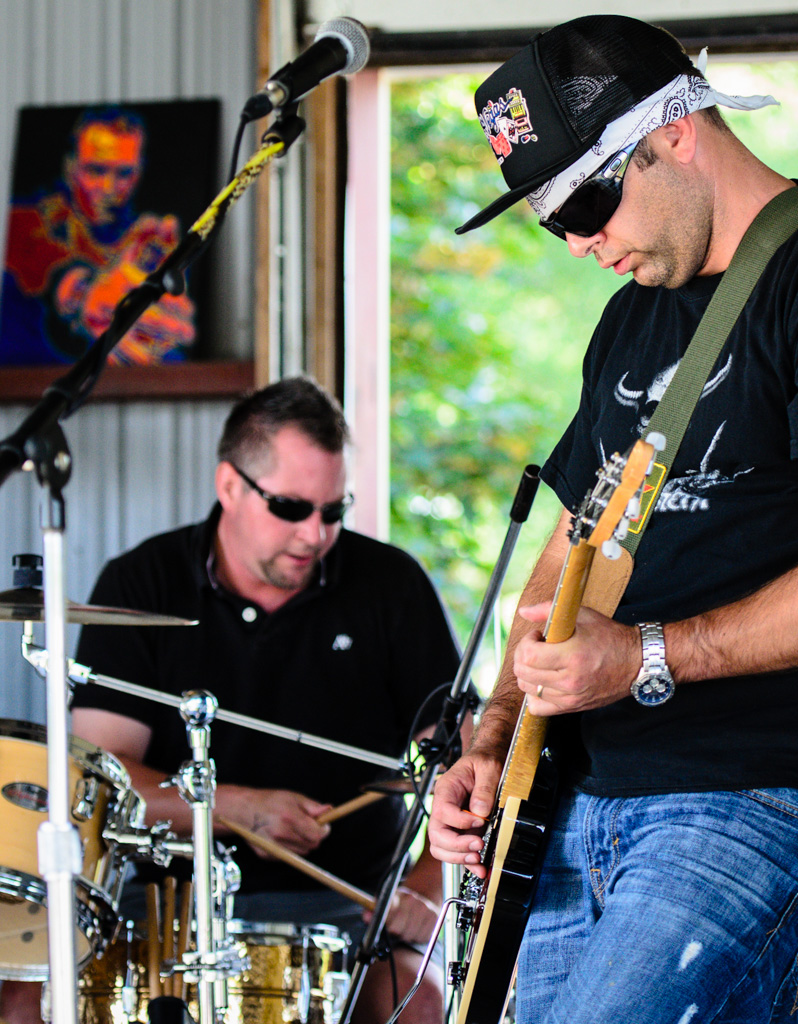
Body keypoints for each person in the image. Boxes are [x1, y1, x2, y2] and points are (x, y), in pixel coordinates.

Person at [428, 15, 798, 1024]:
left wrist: (642, 657)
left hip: (756, 794)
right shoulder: (630, 317)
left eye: (586, 201)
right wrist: (497, 735)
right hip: (577, 803)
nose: (579, 241)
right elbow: (570, 552)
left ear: (674, 130)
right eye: (550, 221)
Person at [0, 377, 463, 1024]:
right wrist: (237, 809)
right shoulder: (142, 581)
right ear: (229, 486)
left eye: (334, 510)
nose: (316, 535)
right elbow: (103, 783)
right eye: (291, 508)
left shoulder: (391, 586)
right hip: (166, 906)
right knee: (23, 998)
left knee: (419, 1001)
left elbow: (463, 766)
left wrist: (426, 886)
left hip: (351, 908)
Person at [1, 106, 195, 366]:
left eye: (123, 173)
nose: (108, 188)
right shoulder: (29, 220)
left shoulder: (147, 240)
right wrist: (84, 293)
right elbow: (38, 256)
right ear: (70, 167)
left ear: (139, 172)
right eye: (95, 170)